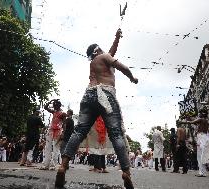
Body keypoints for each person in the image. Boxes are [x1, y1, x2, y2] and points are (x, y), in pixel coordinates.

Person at [55, 28, 138, 189]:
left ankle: (62, 166)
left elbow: (110, 53)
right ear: (98, 50)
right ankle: (126, 173)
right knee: (116, 134)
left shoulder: (95, 62)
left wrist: (117, 38)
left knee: (79, 131)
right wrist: (132, 78)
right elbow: (122, 67)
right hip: (105, 94)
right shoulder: (105, 57)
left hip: (88, 96)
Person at [185, 109, 209, 177]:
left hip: (202, 138)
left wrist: (187, 120)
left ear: (202, 114)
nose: (198, 115)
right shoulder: (205, 122)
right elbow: (194, 122)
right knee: (206, 155)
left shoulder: (201, 120)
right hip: (203, 138)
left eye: (199, 113)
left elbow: (192, 122)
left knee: (201, 155)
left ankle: (203, 172)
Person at [41, 99, 66, 170]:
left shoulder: (62, 114)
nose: (54, 107)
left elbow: (64, 124)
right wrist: (50, 101)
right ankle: (46, 165)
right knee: (47, 148)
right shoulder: (54, 111)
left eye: (55, 105)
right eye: (53, 105)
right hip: (51, 131)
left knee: (56, 148)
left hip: (58, 132)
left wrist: (63, 133)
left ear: (58, 106)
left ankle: (53, 165)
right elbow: (45, 107)